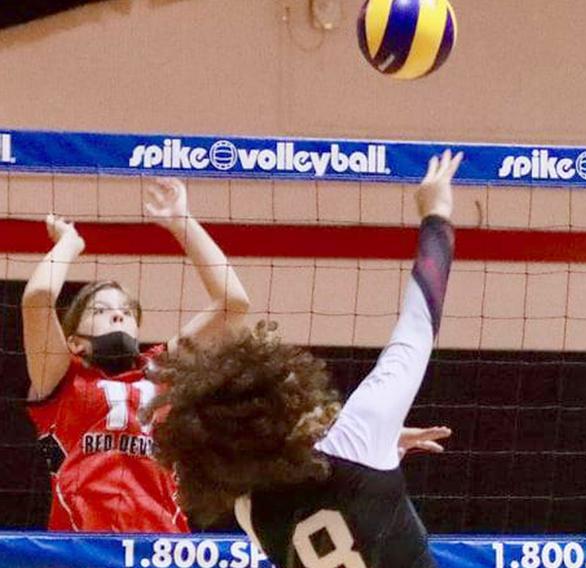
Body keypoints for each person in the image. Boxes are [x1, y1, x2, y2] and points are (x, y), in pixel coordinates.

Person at [145, 150, 462, 567]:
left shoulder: (250, 512)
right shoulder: (357, 433)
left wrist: (379, 445)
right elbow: (418, 325)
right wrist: (436, 215)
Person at [21, 177, 251, 532]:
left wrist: (181, 221)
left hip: (158, 550)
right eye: (101, 310)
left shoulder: (160, 368)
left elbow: (232, 304)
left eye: (127, 311)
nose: (118, 314)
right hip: (81, 553)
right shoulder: (61, 375)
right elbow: (37, 298)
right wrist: (69, 243)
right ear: (75, 342)